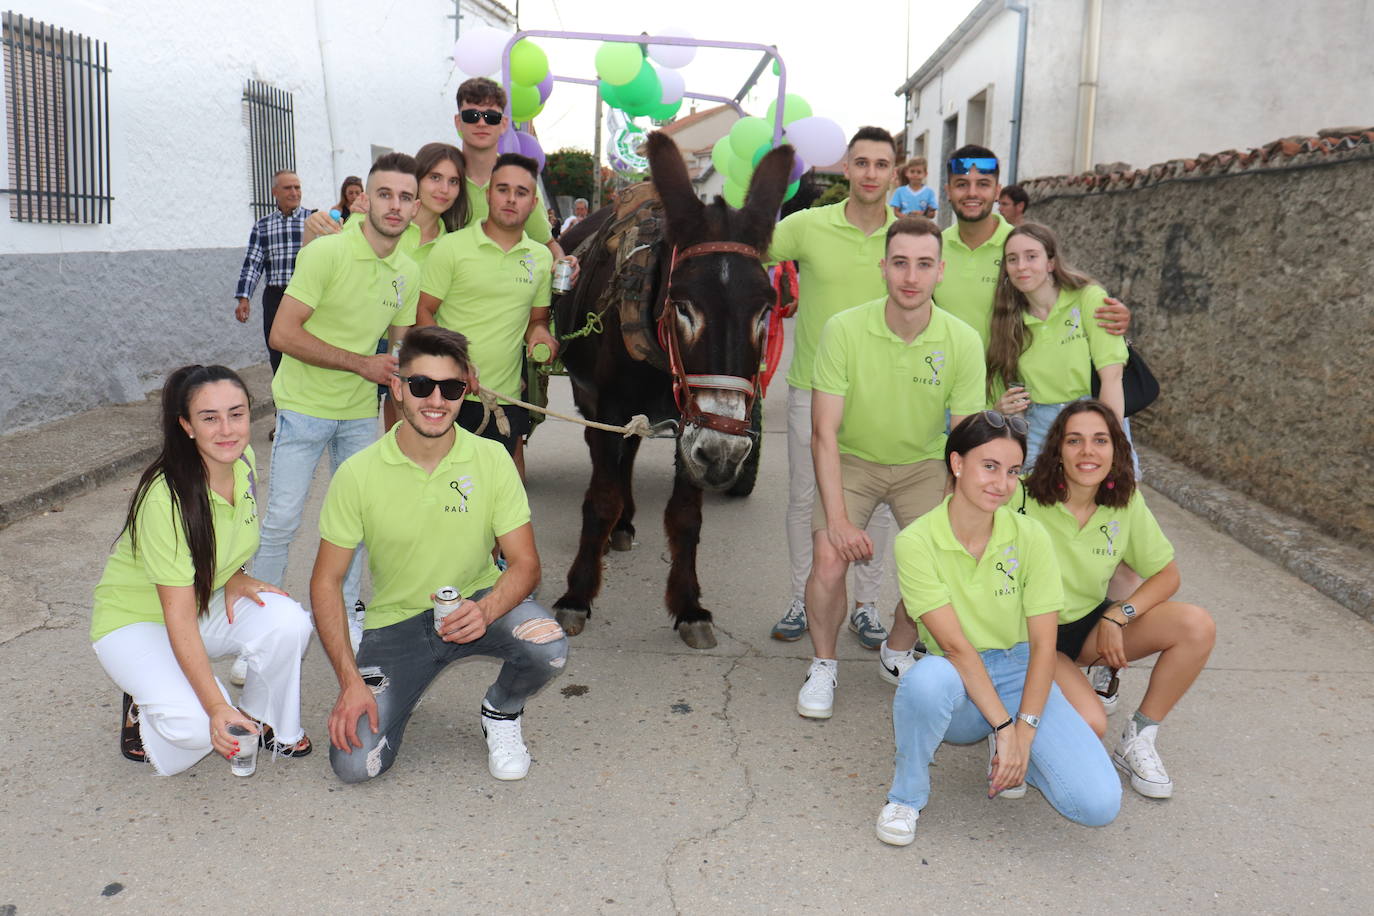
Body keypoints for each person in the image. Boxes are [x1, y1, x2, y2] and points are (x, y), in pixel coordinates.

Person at [313, 326, 567, 783]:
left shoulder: (492, 460)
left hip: (476, 604)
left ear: (466, 388)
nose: (435, 400)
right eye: (420, 385)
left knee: (547, 647)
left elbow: (526, 564)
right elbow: (325, 582)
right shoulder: (357, 474)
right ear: (397, 387)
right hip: (395, 625)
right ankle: (397, 695)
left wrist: (486, 608)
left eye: (450, 388)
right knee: (354, 765)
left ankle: (502, 712)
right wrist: (351, 684)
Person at [875, 411, 1120, 847]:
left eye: (1012, 472)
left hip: (1019, 669)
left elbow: (1045, 646)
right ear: (956, 463)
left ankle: (1015, 756)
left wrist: (1024, 731)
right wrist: (1007, 729)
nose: (1001, 483)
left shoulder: (1030, 537)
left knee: (1097, 805)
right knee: (924, 682)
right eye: (989, 466)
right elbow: (955, 647)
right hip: (957, 679)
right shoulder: (916, 542)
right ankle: (906, 797)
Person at [796, 217, 985, 718]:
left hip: (926, 463)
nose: (910, 276)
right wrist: (837, 521)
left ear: (940, 272)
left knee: (946, 560)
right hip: (854, 458)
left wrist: (956, 516)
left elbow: (965, 443)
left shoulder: (962, 340)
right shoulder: (843, 329)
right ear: (883, 267)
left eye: (924, 264)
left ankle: (897, 649)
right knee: (830, 558)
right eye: (900, 262)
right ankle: (824, 664)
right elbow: (824, 433)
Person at [91, 365, 313, 776]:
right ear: (187, 426)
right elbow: (176, 618)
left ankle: (259, 717)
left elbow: (229, 533)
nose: (227, 429)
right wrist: (214, 706)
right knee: (196, 730)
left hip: (198, 601)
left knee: (288, 622)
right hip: (136, 622)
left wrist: (235, 574)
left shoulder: (243, 461)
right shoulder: (164, 500)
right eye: (209, 418)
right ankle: (147, 699)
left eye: (237, 413)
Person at [252, 152, 421, 652]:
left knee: (354, 523)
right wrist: (361, 364)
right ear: (364, 199)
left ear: (415, 210)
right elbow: (282, 334)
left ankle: (346, 616)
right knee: (282, 519)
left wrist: (437, 377)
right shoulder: (325, 253)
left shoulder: (408, 272)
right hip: (303, 408)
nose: (395, 206)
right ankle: (260, 631)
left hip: (356, 416)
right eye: (385, 194)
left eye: (405, 198)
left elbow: (398, 349)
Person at [1020, 400, 1214, 798]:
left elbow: (1167, 573)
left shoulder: (1125, 502)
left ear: (1116, 450)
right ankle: (1009, 729)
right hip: (1030, 637)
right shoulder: (1021, 497)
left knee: (1196, 626)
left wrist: (1118, 615)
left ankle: (1138, 739)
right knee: (1089, 724)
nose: (1088, 451)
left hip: (1087, 630)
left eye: (1100, 440)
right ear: (1057, 449)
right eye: (1074, 441)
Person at [766, 126, 903, 648]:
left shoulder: (906, 235)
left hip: (885, 393)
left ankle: (867, 605)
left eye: (881, 164)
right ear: (845, 168)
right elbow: (743, 248)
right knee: (806, 498)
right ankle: (804, 596)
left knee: (880, 502)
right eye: (861, 163)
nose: (870, 173)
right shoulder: (806, 227)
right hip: (813, 389)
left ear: (895, 172)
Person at [416, 152, 556, 477]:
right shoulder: (450, 248)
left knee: (499, 503)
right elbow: (423, 312)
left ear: (533, 203)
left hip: (504, 400)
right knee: (445, 497)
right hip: (445, 396)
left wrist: (540, 335)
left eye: (521, 193)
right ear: (489, 193)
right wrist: (454, 364)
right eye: (503, 189)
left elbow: (536, 320)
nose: (511, 199)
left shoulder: (540, 259)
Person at [933, 146, 1129, 348]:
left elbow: (1065, 293)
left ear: (997, 191)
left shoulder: (1022, 247)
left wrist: (1109, 312)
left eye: (983, 184)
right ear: (948, 191)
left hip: (1012, 377)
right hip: (949, 377)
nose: (972, 193)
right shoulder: (933, 249)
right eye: (962, 184)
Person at [986, 222, 1126, 467]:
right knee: (1023, 495)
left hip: (1094, 415)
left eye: (1031, 257)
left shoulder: (1088, 298)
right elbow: (1007, 389)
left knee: (1112, 496)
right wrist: (1003, 407)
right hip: (1040, 424)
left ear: (1050, 262)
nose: (1021, 267)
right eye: (1012, 259)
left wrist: (1108, 439)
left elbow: (1112, 379)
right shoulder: (1008, 320)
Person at [454, 77, 568, 268]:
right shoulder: (442, 179)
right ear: (458, 122)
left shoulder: (520, 182)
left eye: (491, 117)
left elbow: (546, 244)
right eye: (471, 116)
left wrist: (563, 263)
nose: (482, 123)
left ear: (504, 124)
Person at [233, 170, 313, 373]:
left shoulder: (313, 221)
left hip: (309, 296)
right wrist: (244, 298)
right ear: (274, 192)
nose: (294, 192)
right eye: (288, 188)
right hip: (276, 298)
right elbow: (253, 263)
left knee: (309, 350)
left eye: (297, 187)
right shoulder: (263, 226)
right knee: (277, 348)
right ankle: (283, 399)